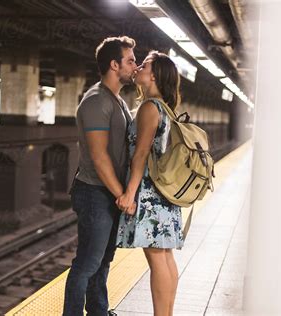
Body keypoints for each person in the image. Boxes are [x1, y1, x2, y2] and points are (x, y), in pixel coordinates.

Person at [63, 36, 137, 316]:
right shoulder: (95, 101)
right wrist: (122, 195)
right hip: (95, 192)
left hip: (107, 192)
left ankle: (98, 311)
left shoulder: (115, 99)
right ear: (114, 64)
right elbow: (99, 156)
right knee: (87, 262)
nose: (135, 65)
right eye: (130, 60)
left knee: (103, 260)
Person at [115, 51, 184, 316]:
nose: (138, 68)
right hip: (164, 193)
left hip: (149, 193)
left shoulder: (149, 107)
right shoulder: (165, 107)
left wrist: (129, 194)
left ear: (153, 75)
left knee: (157, 260)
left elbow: (141, 154)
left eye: (144, 65)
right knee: (165, 258)